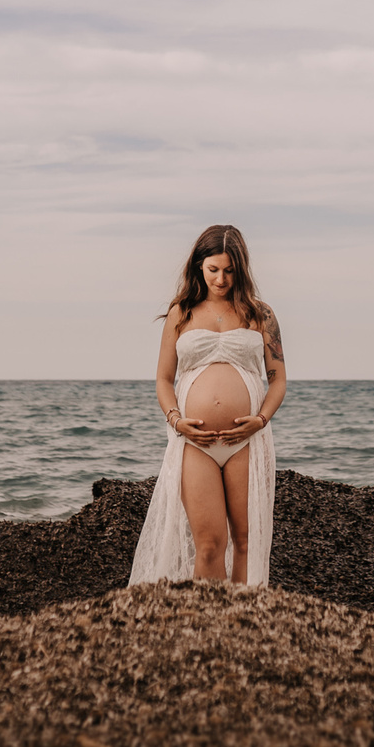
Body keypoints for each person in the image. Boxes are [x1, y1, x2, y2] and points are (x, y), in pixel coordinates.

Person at [127, 222, 286, 586]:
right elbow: (164, 379)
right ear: (199, 265)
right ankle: (208, 625)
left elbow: (278, 378)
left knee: (247, 541)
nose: (221, 279)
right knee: (211, 543)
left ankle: (244, 622)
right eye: (214, 269)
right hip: (194, 443)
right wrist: (175, 419)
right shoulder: (181, 313)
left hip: (245, 440)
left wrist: (260, 420)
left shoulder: (259, 314)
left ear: (241, 269)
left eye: (230, 270)